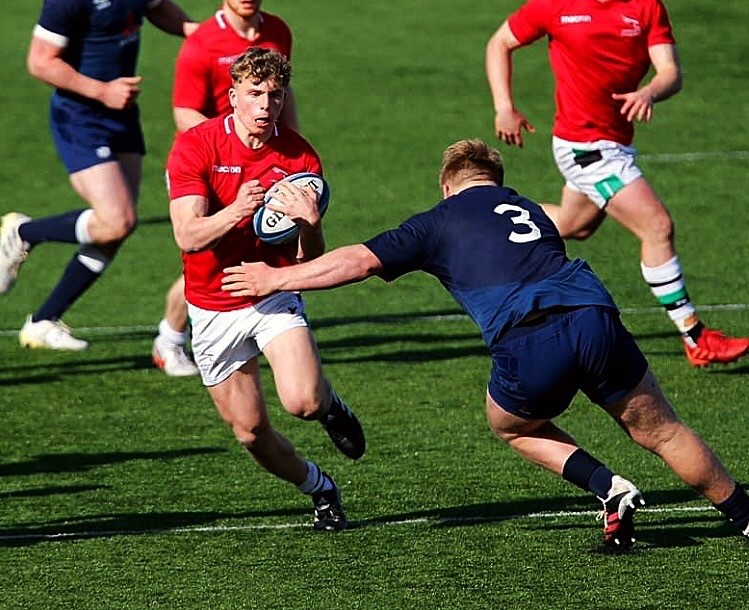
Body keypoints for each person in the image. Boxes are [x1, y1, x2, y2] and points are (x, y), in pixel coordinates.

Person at [222, 138, 749, 548]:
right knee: (662, 431)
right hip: (594, 314)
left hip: (528, 337)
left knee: (509, 423)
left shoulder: (438, 219)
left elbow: (355, 262)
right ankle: (744, 518)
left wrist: (276, 278)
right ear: (497, 183)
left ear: (446, 187)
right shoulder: (530, 211)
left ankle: (608, 485)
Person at [485, 0, 749, 368]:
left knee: (572, 226)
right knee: (657, 227)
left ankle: (489, 213)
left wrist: (649, 92)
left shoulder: (646, 7)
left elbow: (670, 72)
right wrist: (504, 107)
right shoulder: (555, 5)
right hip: (585, 148)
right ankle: (695, 336)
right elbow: (500, 43)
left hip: (616, 143)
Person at [165, 47, 365, 531]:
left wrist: (311, 224)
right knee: (251, 433)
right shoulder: (196, 146)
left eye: (275, 96)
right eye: (254, 94)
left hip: (273, 293)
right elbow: (187, 236)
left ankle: (330, 405)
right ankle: (318, 486)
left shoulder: (299, 157)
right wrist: (237, 209)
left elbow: (307, 262)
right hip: (212, 307)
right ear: (232, 95)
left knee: (304, 403)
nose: (265, 105)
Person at [0, 0, 198, 353]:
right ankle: (22, 232)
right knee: (117, 220)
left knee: (117, 228)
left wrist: (197, 33)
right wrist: (102, 91)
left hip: (121, 113)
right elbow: (39, 61)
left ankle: (44, 321)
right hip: (81, 116)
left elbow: (157, 7)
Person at [153, 0, 299, 376]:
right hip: (206, 163)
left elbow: (285, 92)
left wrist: (291, 149)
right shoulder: (202, 42)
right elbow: (183, 112)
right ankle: (169, 338)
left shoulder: (278, 32)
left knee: (252, 245)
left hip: (262, 159)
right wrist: (225, 148)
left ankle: (272, 326)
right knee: (206, 253)